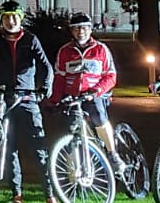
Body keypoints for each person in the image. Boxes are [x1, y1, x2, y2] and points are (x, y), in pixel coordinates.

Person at [0, 5, 55, 203]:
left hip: (26, 100)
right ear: (2, 21)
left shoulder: (30, 40)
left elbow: (46, 66)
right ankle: (16, 193)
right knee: (8, 149)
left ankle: (50, 196)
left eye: (14, 18)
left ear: (20, 19)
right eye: (6, 18)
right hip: (4, 99)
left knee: (38, 150)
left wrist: (45, 87)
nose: (11, 22)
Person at [47, 14, 122, 167]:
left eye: (84, 27)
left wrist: (96, 91)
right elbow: (59, 78)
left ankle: (112, 153)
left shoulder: (101, 49)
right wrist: (54, 100)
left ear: (90, 29)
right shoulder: (65, 51)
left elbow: (111, 76)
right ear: (71, 31)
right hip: (72, 96)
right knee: (69, 130)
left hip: (94, 94)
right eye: (76, 28)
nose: (80, 31)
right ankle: (72, 174)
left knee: (99, 117)